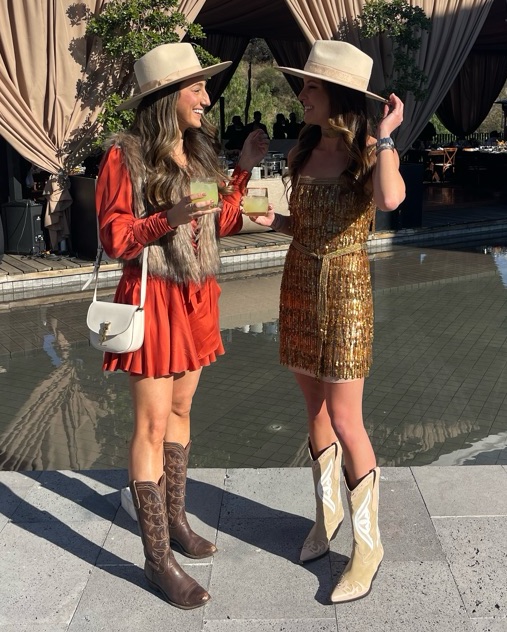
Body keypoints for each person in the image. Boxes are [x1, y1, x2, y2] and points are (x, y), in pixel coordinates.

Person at [95, 43, 268, 610]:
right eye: (197, 88)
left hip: (197, 299)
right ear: (169, 96)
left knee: (181, 410)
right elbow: (115, 237)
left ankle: (175, 522)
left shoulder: (195, 154)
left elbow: (216, 221)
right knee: (149, 425)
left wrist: (243, 170)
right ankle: (156, 560)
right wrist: (163, 220)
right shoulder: (126, 157)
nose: (206, 98)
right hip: (154, 299)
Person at [251, 40, 405, 603]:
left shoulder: (368, 152)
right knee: (314, 410)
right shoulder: (303, 149)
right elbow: (303, 226)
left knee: (345, 418)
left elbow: (390, 200)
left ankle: (369, 545)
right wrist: (272, 219)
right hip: (298, 284)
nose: (302, 94)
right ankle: (327, 514)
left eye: (311, 86)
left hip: (345, 290)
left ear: (337, 94)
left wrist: (385, 135)